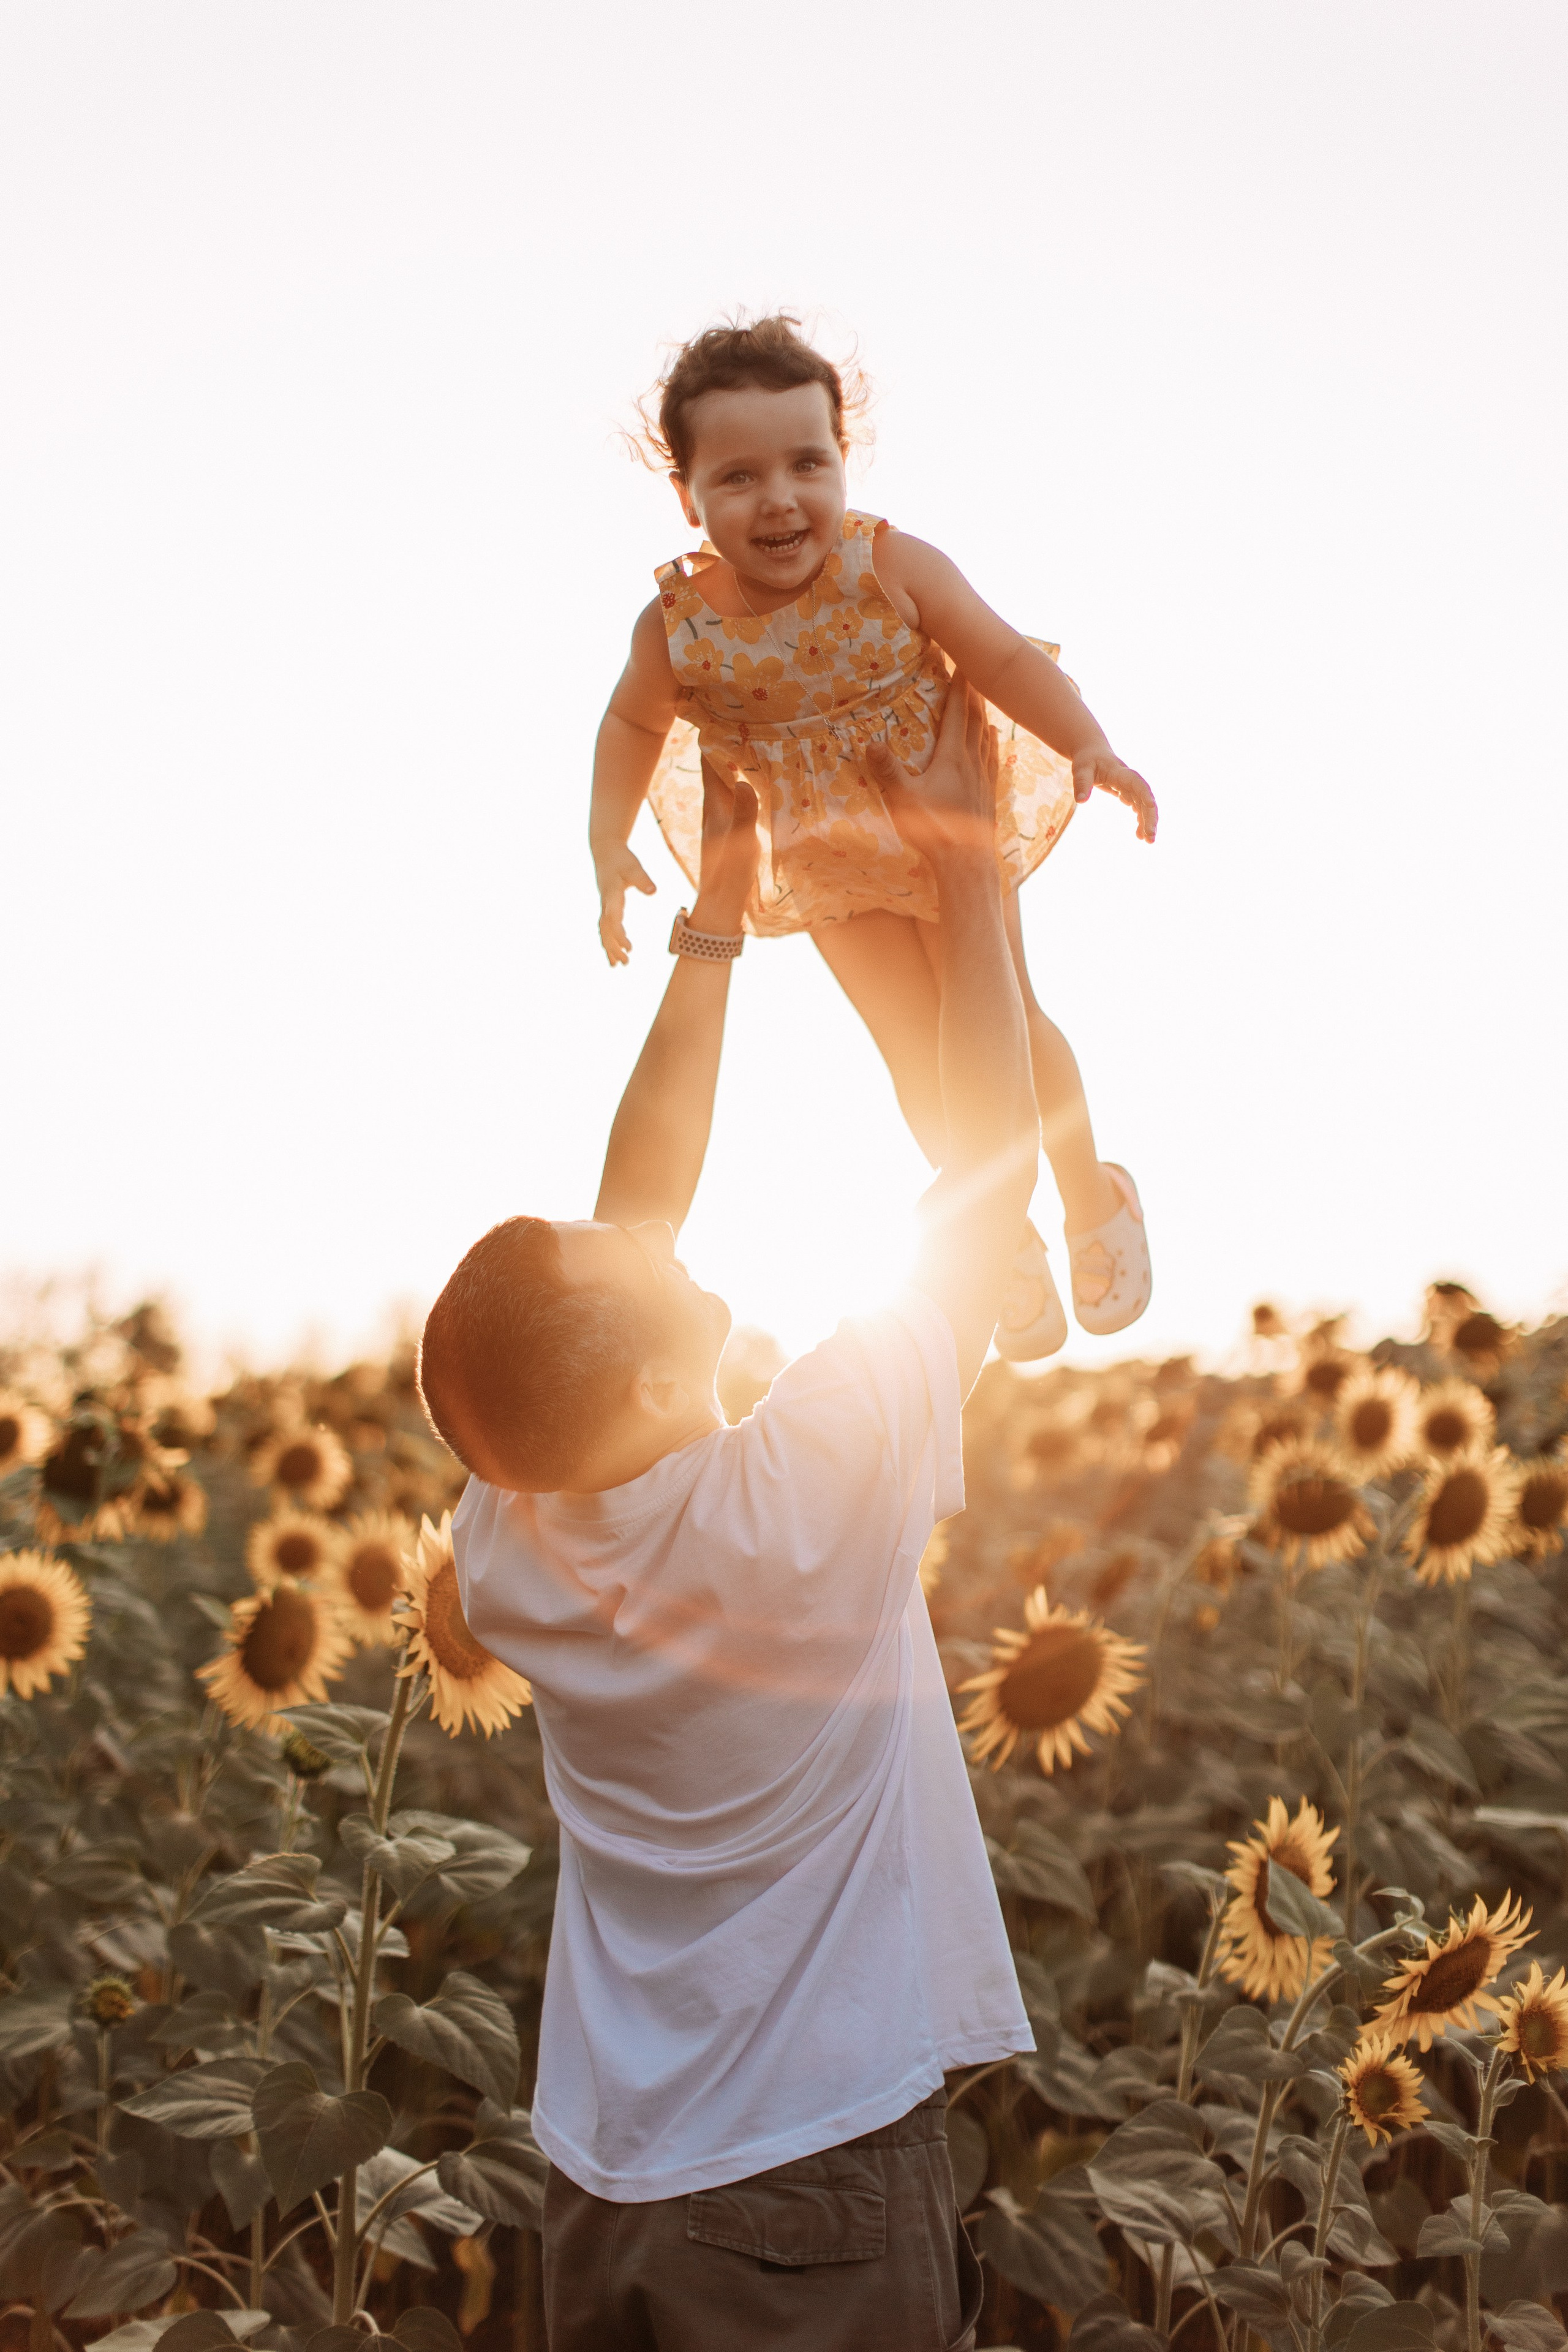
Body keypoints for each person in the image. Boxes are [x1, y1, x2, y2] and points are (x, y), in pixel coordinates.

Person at [418, 679, 1040, 2351]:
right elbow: (985, 1164)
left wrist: (716, 929)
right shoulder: (802, 1492)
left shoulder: (521, 1528)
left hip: (611, 2179)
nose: (656, 1233)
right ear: (628, 1385)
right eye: (624, 1260)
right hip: (807, 2181)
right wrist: (967, 873)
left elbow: (626, 1226)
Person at [589, 311, 1158, 1360]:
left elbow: (1001, 658)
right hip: (822, 860)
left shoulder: (889, 565)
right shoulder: (677, 628)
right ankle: (998, 1231)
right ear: (688, 495)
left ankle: (1088, 1190)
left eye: (808, 462)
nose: (780, 499)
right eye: (739, 476)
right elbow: (629, 722)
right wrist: (607, 843)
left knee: (1009, 1021)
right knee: (913, 1049)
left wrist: (1090, 743)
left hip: (945, 813)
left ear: (843, 461)